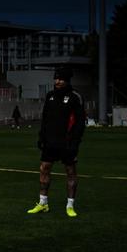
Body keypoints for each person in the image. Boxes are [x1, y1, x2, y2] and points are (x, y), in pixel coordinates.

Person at [27, 67, 85, 217]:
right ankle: (43, 203)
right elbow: (45, 118)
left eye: (61, 79)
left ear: (67, 80)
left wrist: (75, 143)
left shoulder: (75, 97)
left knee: (70, 171)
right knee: (44, 168)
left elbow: (80, 124)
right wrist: (41, 137)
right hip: (50, 142)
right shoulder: (50, 96)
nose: (57, 81)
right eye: (56, 78)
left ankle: (70, 206)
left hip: (67, 142)